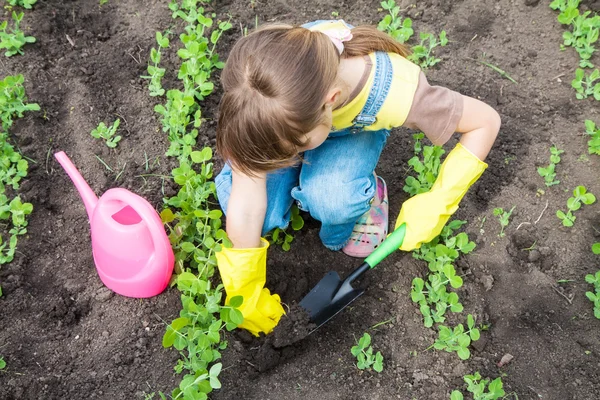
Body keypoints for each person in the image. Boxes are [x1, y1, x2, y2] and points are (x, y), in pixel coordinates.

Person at [214, 20, 500, 336]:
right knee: (250, 211)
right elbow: (246, 203)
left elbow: (485, 121)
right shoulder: (257, 85)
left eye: (295, 149)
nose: (286, 159)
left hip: (353, 131)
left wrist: (440, 200)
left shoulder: (398, 93)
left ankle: (362, 191)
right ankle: (302, 168)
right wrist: (245, 288)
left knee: (333, 201)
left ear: (332, 99)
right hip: (304, 123)